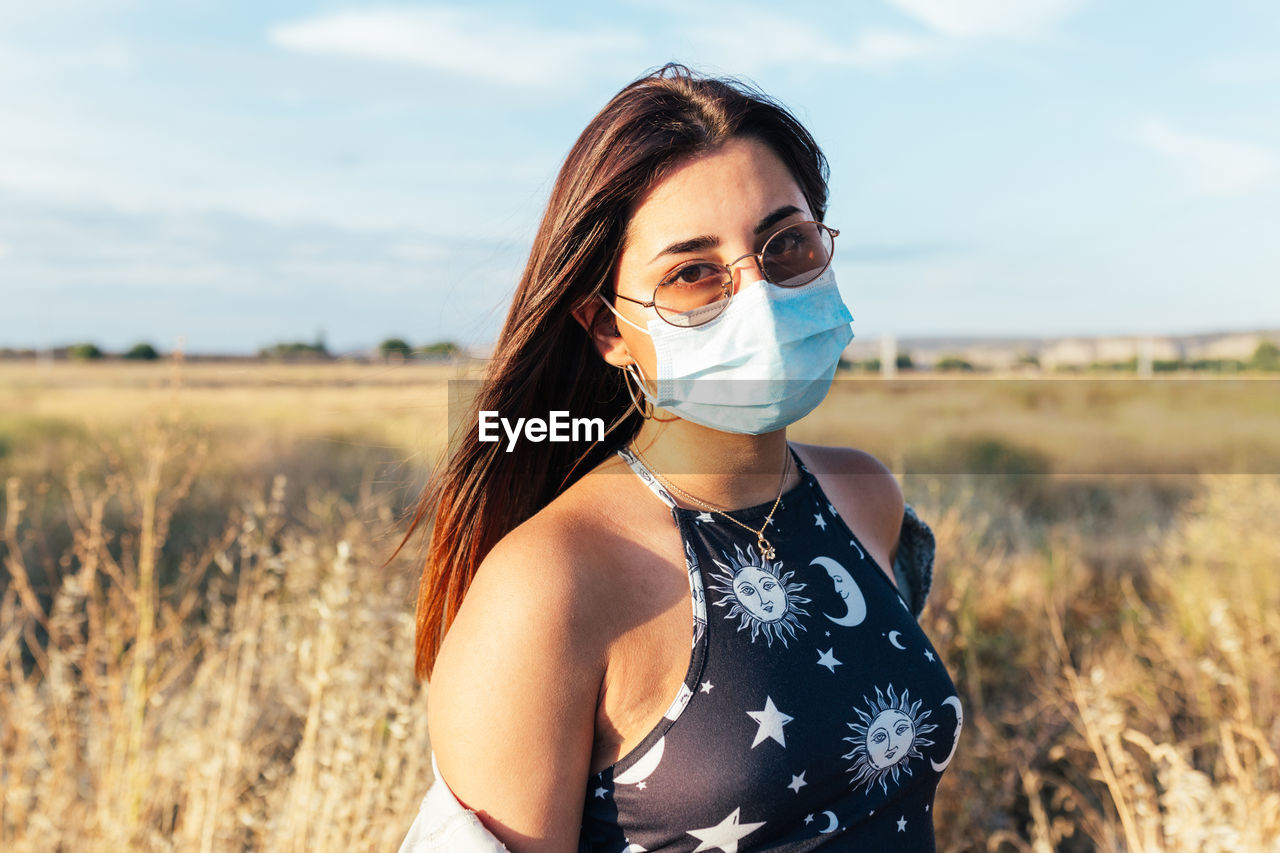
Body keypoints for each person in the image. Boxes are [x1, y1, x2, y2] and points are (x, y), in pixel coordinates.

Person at [399, 64, 962, 852]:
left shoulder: (863, 494)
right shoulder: (551, 584)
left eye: (786, 243)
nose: (758, 295)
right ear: (605, 327)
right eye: (693, 273)